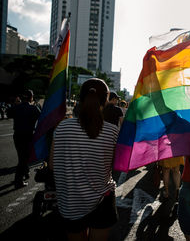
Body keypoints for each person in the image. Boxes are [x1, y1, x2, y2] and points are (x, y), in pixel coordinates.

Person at [50, 78, 119, 241]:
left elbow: (52, 165)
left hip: (69, 202)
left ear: (80, 98)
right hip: (103, 198)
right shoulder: (112, 131)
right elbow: (115, 165)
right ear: (106, 100)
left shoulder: (62, 127)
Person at [8, 90, 41, 188]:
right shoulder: (33, 108)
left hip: (17, 135)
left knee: (22, 156)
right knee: (23, 158)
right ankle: (18, 182)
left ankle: (25, 172)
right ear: (31, 97)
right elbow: (42, 117)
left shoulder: (16, 108)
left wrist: (16, 104)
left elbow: (8, 113)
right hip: (28, 136)